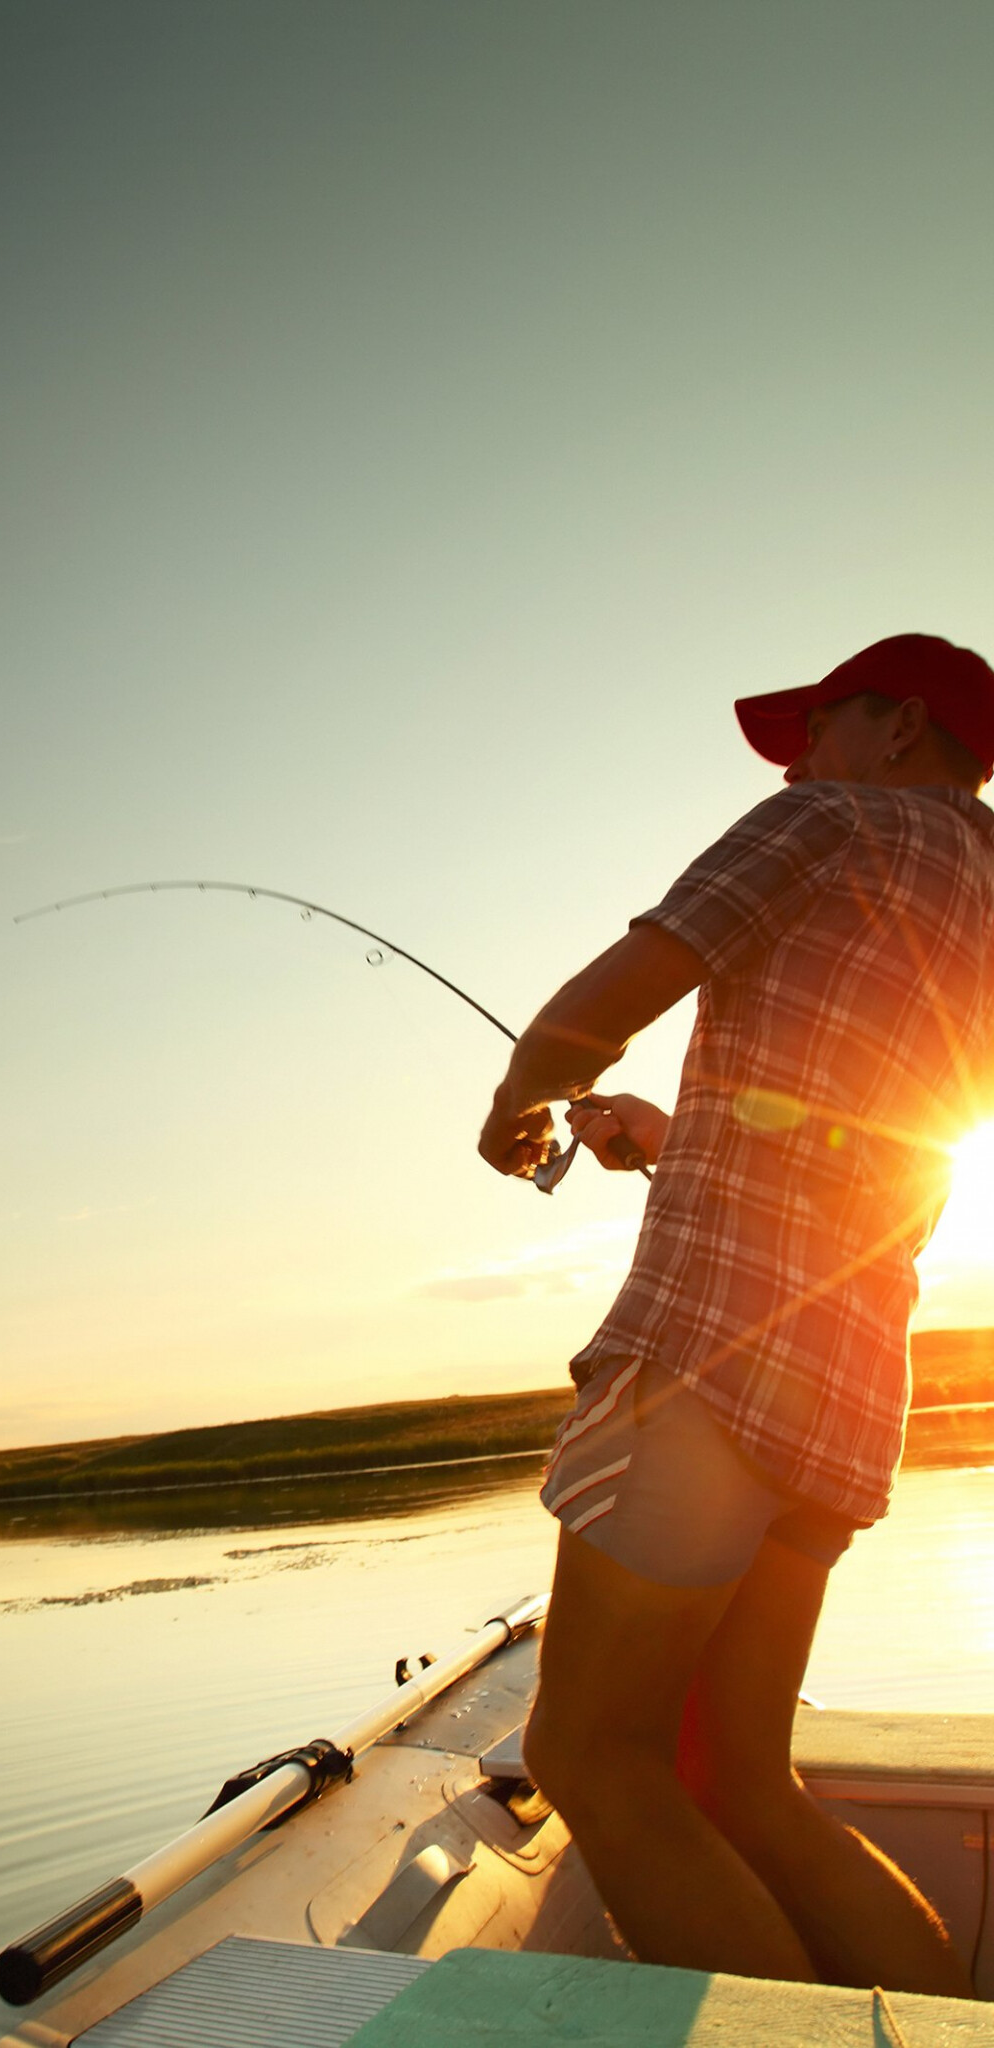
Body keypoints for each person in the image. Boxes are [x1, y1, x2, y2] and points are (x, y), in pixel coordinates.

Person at [476, 632, 994, 1991]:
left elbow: (609, 1000)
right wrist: (685, 1130)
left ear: (896, 729)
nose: (798, 757)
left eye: (819, 726)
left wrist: (514, 1104)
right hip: (848, 1386)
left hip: (714, 1357)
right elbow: (862, 1107)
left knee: (592, 1754)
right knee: (750, 1784)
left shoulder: (827, 818)